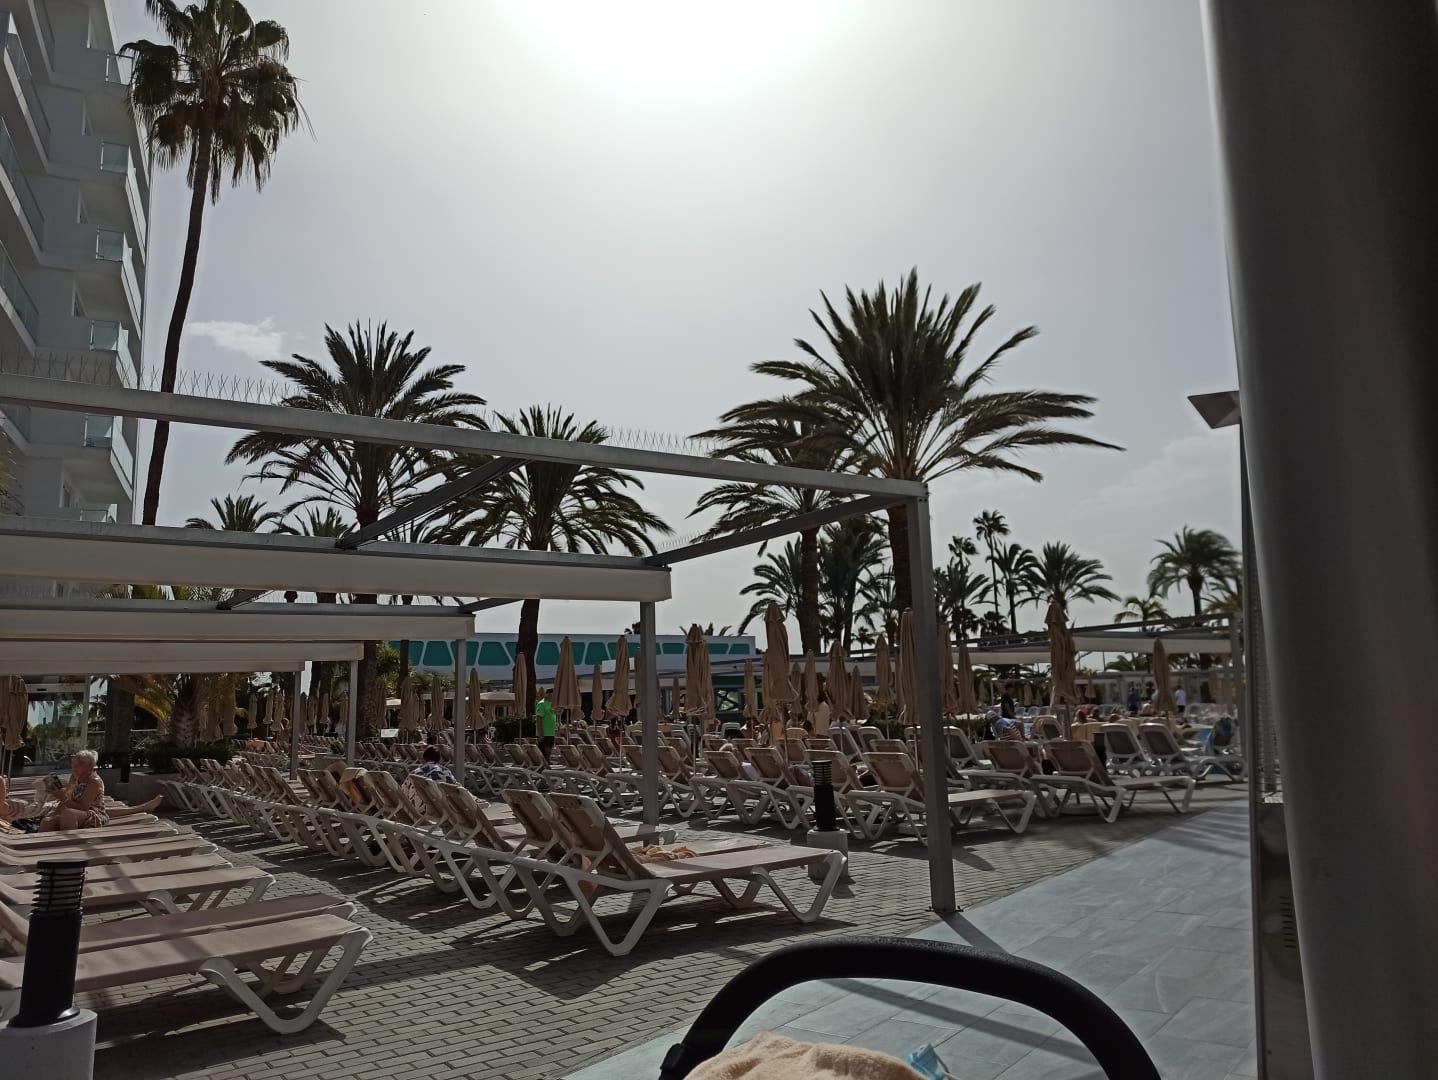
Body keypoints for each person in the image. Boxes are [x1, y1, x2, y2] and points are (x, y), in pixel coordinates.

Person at [39, 751, 110, 831]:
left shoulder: (94, 782)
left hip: (94, 814)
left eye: (78, 765)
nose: (74, 767)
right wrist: (57, 792)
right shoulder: (75, 777)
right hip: (74, 811)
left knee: (68, 814)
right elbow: (67, 793)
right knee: (47, 821)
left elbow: (83, 807)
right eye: (73, 764)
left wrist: (63, 798)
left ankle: (69, 839)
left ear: (90, 766)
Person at [534, 695, 558, 769]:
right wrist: (540, 734)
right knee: (544, 753)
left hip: (551, 732)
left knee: (549, 752)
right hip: (544, 733)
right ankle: (543, 768)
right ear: (548, 694)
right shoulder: (541, 704)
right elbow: (538, 719)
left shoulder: (552, 704)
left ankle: (546, 765)